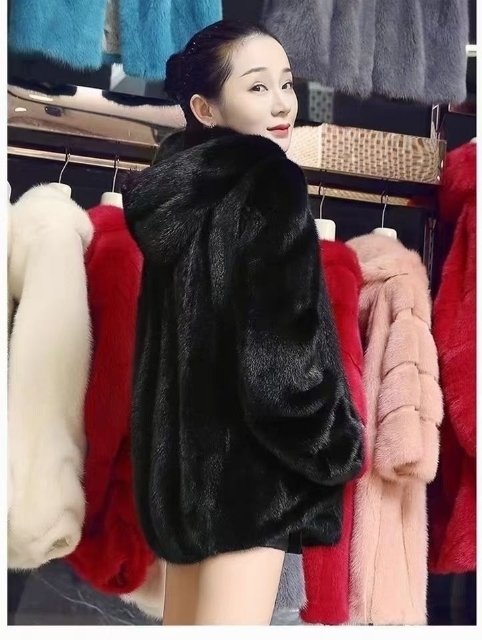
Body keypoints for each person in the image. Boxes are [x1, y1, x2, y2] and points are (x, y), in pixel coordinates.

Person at [122, 19, 363, 625]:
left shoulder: (179, 196)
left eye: (286, 83)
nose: (283, 104)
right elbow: (281, 359)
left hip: (183, 483)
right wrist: (335, 445)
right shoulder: (268, 182)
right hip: (250, 482)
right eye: (257, 87)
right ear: (204, 107)